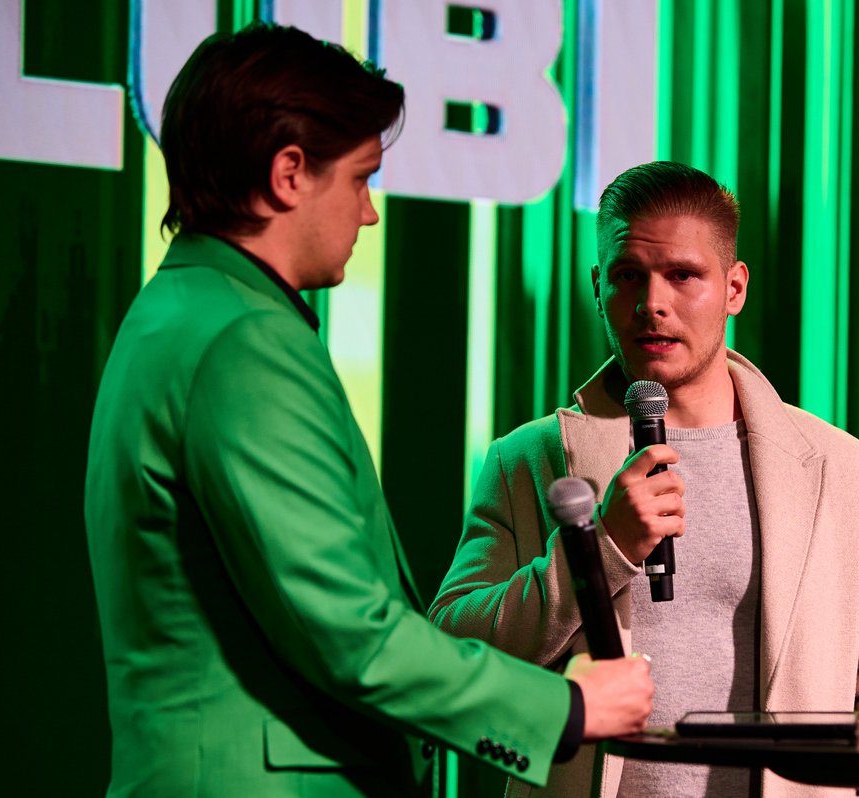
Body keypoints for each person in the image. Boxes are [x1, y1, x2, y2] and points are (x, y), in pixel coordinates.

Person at [84, 23, 652, 798]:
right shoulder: (245, 341)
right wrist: (567, 707)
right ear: (289, 173)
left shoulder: (179, 311)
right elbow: (349, 632)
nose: (369, 212)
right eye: (360, 179)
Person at [429, 161, 859, 798]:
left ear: (734, 288)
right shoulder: (531, 459)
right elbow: (449, 655)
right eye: (628, 275)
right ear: (598, 286)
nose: (652, 303)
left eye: (683, 275)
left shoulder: (845, 472)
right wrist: (603, 548)